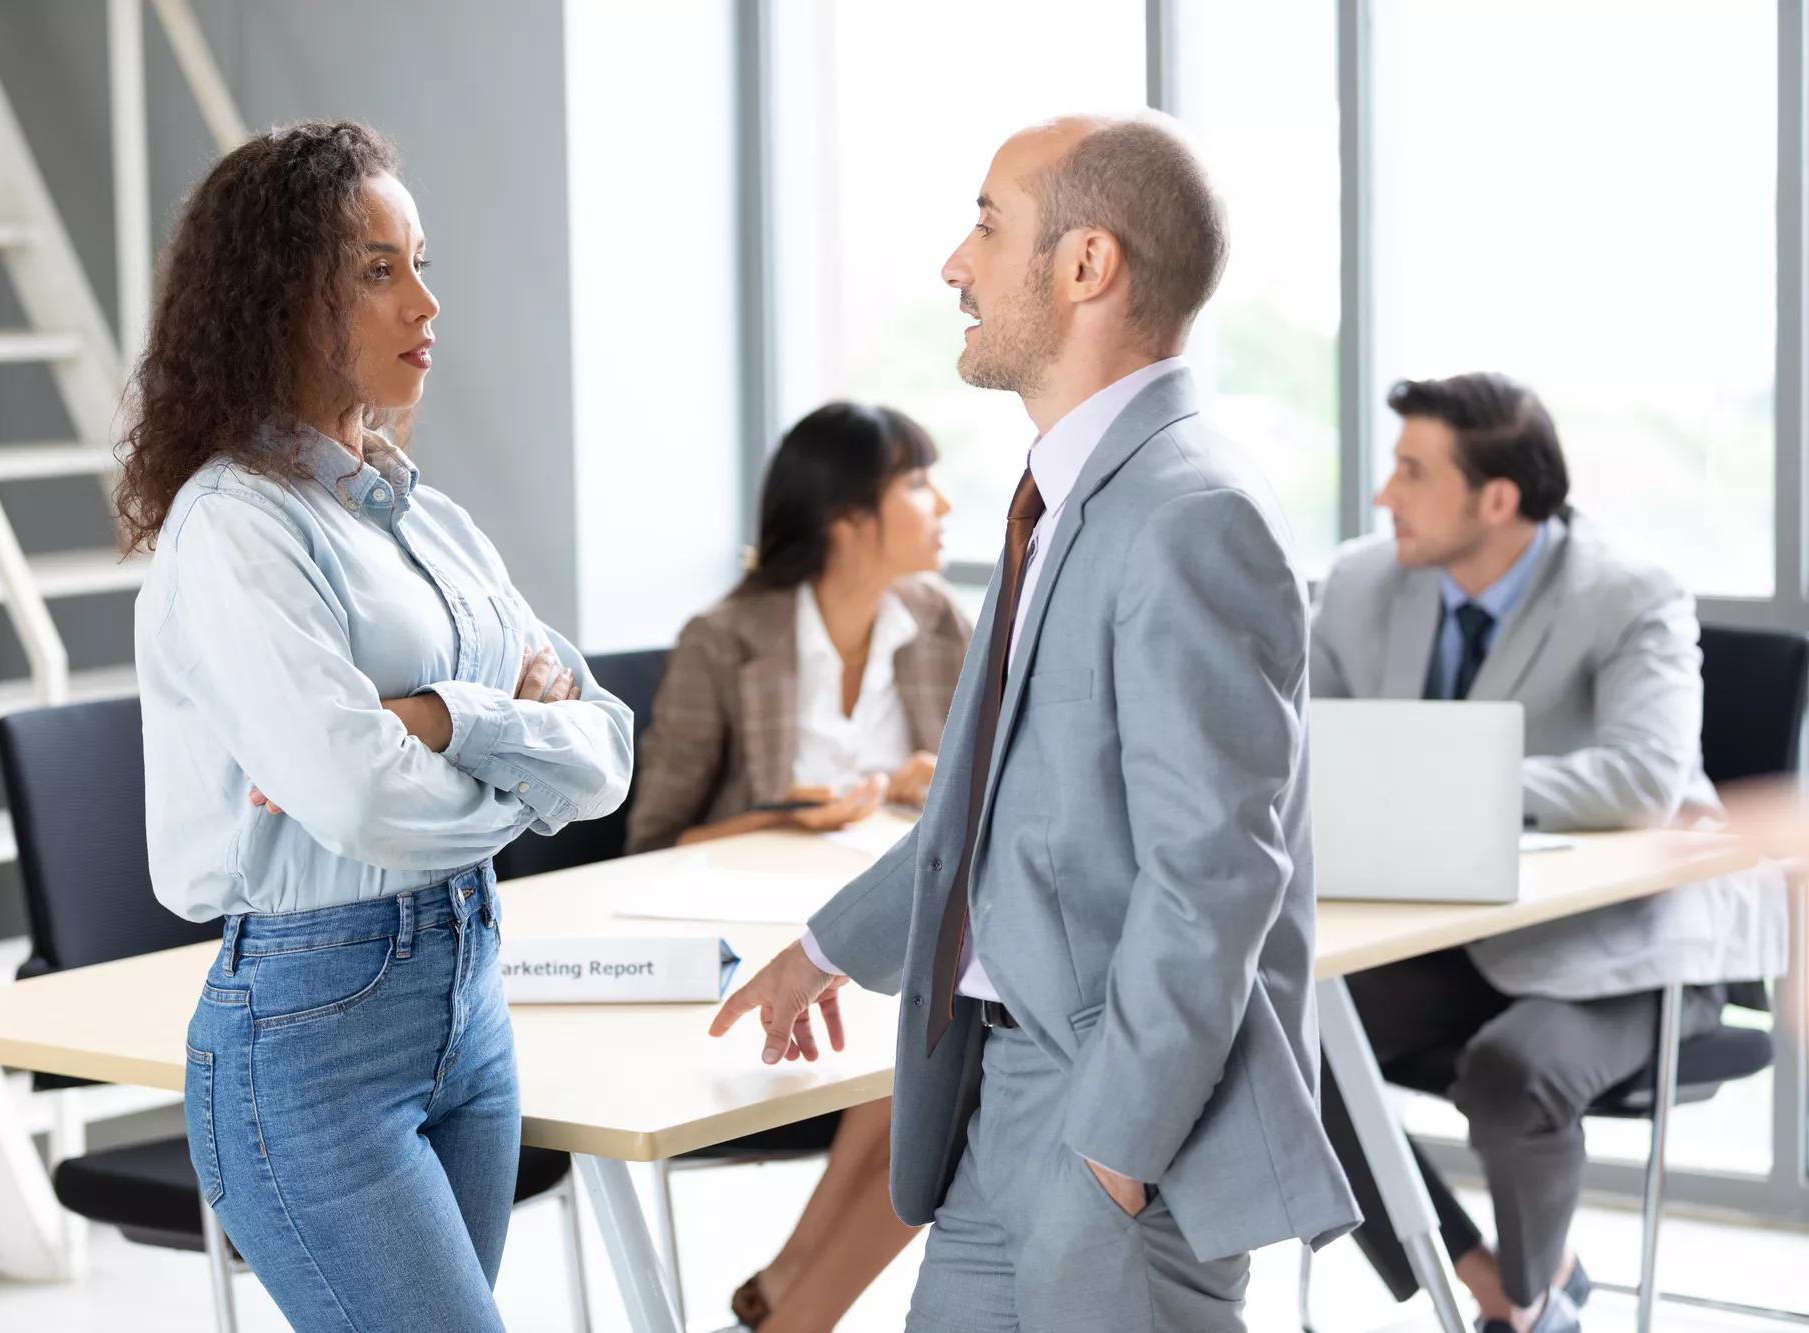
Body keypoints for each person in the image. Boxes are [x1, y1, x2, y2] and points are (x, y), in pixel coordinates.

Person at [711, 113, 1360, 1332]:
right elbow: (994, 813)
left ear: (1085, 264)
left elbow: (1214, 877)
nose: (953, 264)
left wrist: (1110, 1159)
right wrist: (823, 949)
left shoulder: (1188, 511)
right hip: (999, 1098)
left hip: (1116, 1121)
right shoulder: (1064, 498)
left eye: (986, 225)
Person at [123, 122, 633, 1331]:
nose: (425, 301)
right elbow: (362, 800)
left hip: (470, 1008)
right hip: (314, 1039)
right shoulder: (235, 528)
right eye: (376, 269)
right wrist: (516, 743)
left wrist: (436, 721)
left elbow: (608, 749)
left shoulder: (428, 523)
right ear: (277, 298)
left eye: (420, 262)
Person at [1311, 372, 1789, 1333]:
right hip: (1446, 928)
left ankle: (1527, 1305)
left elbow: (1644, 779)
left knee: (1511, 1072)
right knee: (1272, 1036)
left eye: (1413, 471)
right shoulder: (1364, 580)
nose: (1384, 493)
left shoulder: (1627, 592)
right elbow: (1308, 748)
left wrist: (1449, 780)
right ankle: (1498, 1285)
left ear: (1497, 499)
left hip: (1633, 937)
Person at [627, 401, 970, 1330]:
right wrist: (781, 817)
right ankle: (790, 1310)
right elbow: (651, 845)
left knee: (939, 1044)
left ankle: (786, 1294)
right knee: (942, 1053)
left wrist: (934, 784)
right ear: (847, 514)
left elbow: (989, 808)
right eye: (916, 482)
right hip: (759, 963)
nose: (942, 503)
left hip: (886, 951)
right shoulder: (724, 640)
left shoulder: (942, 624)